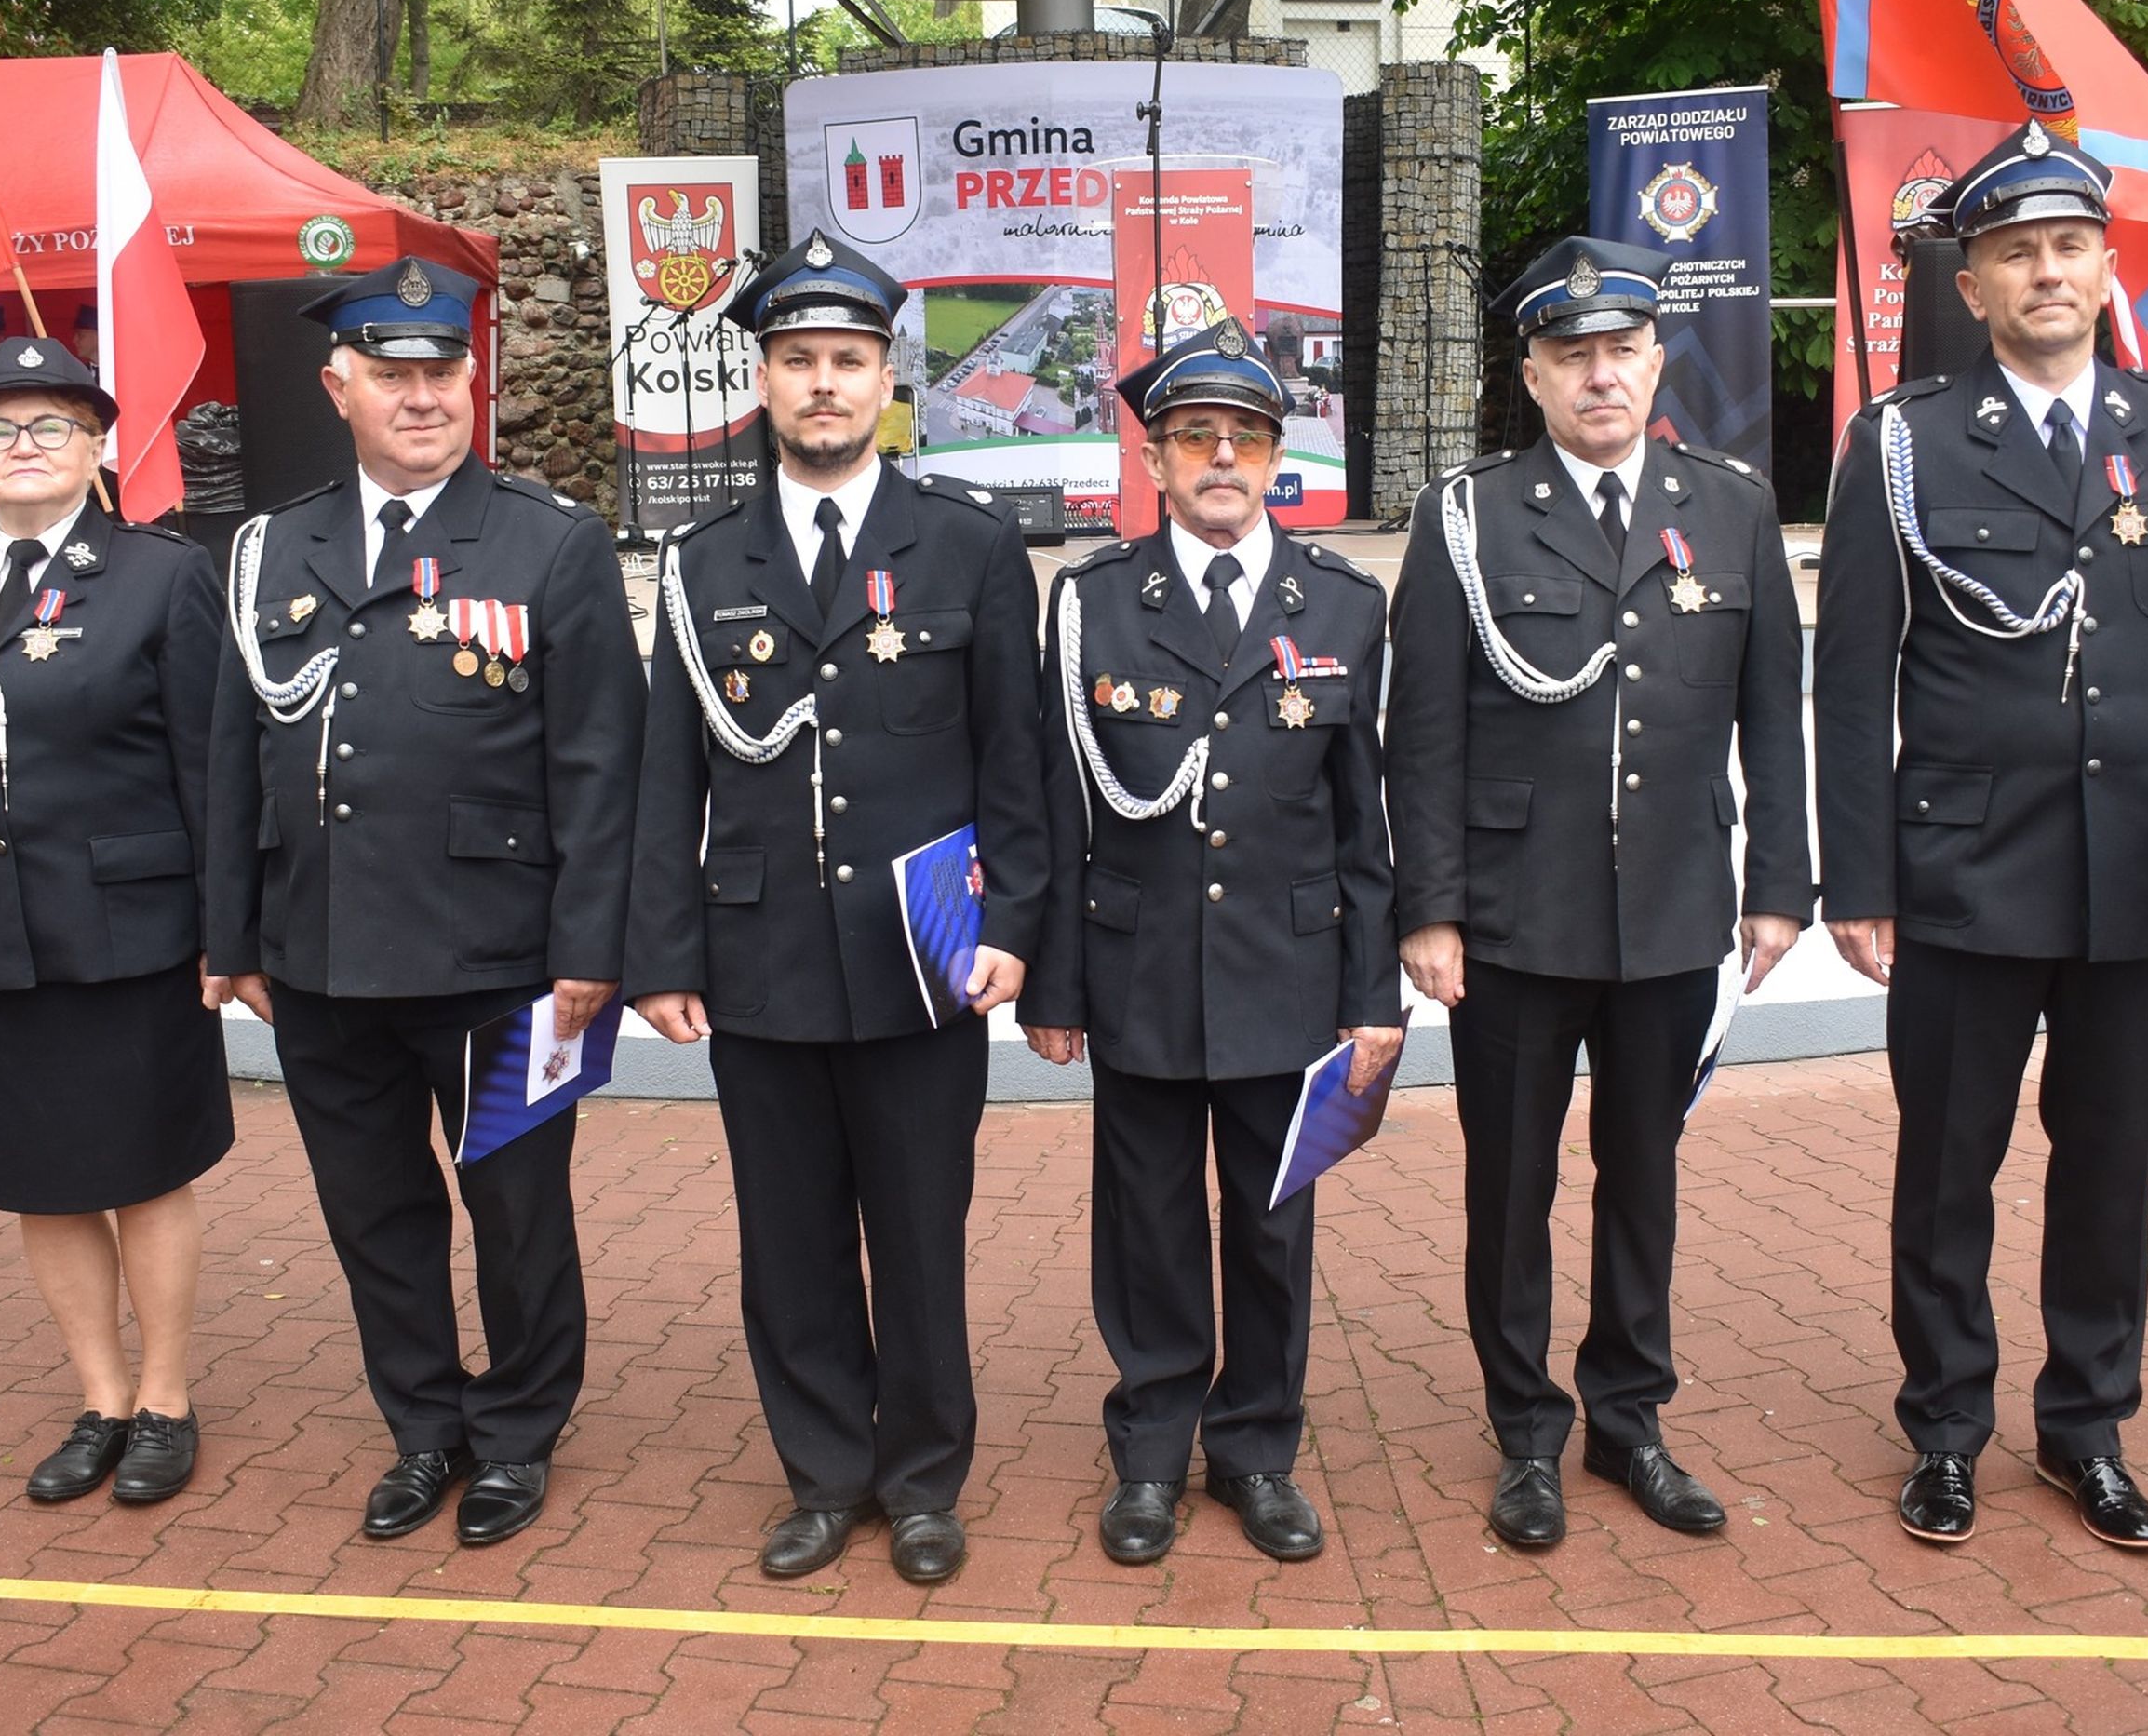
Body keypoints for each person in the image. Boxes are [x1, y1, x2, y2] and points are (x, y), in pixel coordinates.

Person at [1811, 121, 2148, 1550]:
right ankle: (1947, 1429)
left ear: (2106, 266)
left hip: (2139, 868)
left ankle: (2088, 1427)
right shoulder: (1902, 444)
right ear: (1972, 287)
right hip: (1965, 869)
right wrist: (1859, 877)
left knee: (2109, 1167)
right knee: (1948, 1167)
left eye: (2070, 247)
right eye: (2016, 254)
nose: (2047, 273)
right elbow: (1854, 681)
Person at [624, 230, 1050, 1586]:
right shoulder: (702, 561)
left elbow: (1017, 761)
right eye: (799, 359)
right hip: (759, 955)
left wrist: (1013, 927)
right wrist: (660, 952)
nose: (824, 383)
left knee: (920, 1233)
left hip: (922, 958)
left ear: (886, 379)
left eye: (849, 360)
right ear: (764, 378)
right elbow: (665, 775)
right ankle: (822, 1474)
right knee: (789, 1238)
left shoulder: (969, 547)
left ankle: (922, 1481)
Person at [202, 257, 643, 1549]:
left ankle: (516, 1432)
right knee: (375, 1213)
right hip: (321, 954)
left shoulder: (548, 542)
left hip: (500, 960)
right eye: (391, 376)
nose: (422, 397)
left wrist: (592, 944)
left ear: (472, 380)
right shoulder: (269, 549)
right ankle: (425, 1426)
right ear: (337, 387)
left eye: (443, 372)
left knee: (516, 1211)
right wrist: (233, 934)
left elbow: (602, 768)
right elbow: (234, 757)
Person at [1385, 237, 1810, 1551]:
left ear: (1657, 361)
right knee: (1509, 1185)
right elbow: (1424, 731)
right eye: (1572, 356)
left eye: (1621, 350)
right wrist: (1429, 907)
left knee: (1644, 1176)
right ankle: (1525, 1430)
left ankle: (1629, 1419)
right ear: (1532, 375)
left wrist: (1778, 883)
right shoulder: (1467, 516)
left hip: (1674, 906)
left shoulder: (1729, 508)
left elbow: (1771, 713)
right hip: (1515, 914)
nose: (1600, 376)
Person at [1019, 319, 1401, 1567]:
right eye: (1195, 437)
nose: (1222, 457)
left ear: (1277, 458)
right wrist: (1055, 989)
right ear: (1155, 461)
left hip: (1289, 976)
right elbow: (1060, 809)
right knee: (1148, 1225)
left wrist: (1374, 995)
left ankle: (1255, 1453)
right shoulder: (1092, 602)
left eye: (1245, 437)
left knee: (1273, 1228)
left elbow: (1366, 824)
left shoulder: (1342, 602)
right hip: (1135, 971)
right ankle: (1149, 1453)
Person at [0, 337, 229, 1507]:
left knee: (146, 1169)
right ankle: (102, 1397)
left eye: (51, 425)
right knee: (41, 1178)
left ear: (96, 446)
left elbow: (209, 767)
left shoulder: (160, 575)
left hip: (132, 930)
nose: (22, 446)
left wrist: (226, 930)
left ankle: (167, 1397)